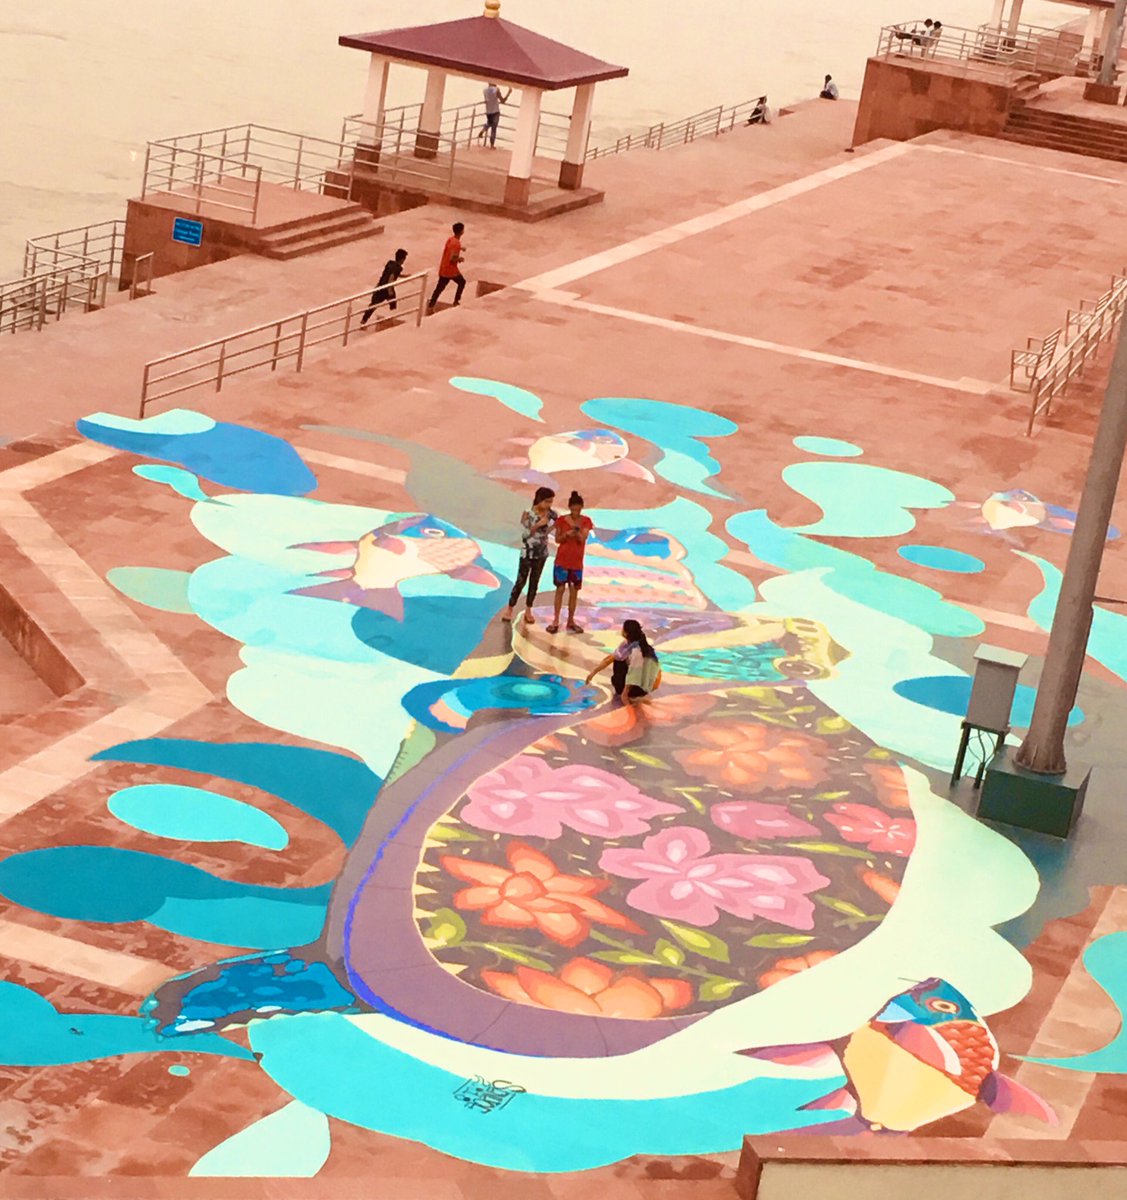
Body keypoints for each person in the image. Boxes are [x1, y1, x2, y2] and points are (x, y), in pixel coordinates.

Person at [500, 486, 557, 625]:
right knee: (521, 581)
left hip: (541, 553)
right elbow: (525, 535)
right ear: (539, 499)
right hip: (527, 553)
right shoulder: (528, 513)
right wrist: (538, 525)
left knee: (534, 582)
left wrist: (550, 527)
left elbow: (553, 530)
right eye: (547, 501)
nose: (549, 504)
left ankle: (528, 610)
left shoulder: (552, 515)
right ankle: (510, 608)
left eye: (551, 501)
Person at [546, 490, 593, 635]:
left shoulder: (586, 521)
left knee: (574, 592)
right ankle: (555, 620)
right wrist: (566, 534)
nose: (575, 512)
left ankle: (571, 621)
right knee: (559, 590)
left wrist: (576, 532)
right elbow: (557, 539)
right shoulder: (562, 520)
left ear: (581, 508)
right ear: (570, 507)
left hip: (576, 563)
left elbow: (583, 539)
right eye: (573, 510)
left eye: (578, 510)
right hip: (562, 560)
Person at [585, 619, 662, 705]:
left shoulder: (637, 652)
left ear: (626, 633)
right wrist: (593, 672)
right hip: (642, 683)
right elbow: (609, 658)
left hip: (639, 687)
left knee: (619, 662)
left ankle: (627, 691)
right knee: (617, 658)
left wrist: (624, 694)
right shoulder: (629, 644)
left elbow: (634, 675)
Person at [360, 248, 408, 326]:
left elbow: (390, 273)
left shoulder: (390, 263)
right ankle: (391, 319)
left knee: (373, 305)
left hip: (380, 286)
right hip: (387, 289)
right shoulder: (398, 268)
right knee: (392, 304)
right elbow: (391, 278)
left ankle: (363, 321)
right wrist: (390, 292)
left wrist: (404, 276)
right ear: (402, 259)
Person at [428, 222, 467, 311]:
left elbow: (450, 249)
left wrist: (461, 248)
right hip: (450, 270)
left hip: (444, 268)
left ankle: (431, 305)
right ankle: (456, 301)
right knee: (462, 282)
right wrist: (459, 259)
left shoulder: (451, 240)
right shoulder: (456, 243)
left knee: (439, 288)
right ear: (461, 231)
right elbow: (452, 258)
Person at [478, 82, 512, 147]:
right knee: (494, 129)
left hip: (488, 111)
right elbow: (503, 100)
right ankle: (492, 145)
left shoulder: (485, 90)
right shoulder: (496, 89)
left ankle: (483, 130)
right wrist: (509, 93)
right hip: (495, 111)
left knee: (489, 122)